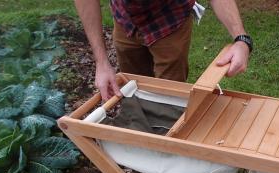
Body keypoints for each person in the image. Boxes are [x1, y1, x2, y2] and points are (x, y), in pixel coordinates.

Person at [74, 0, 253, 100]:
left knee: (170, 95)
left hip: (170, 18)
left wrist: (241, 39)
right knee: (134, 89)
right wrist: (102, 63)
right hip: (125, 18)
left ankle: (168, 137)